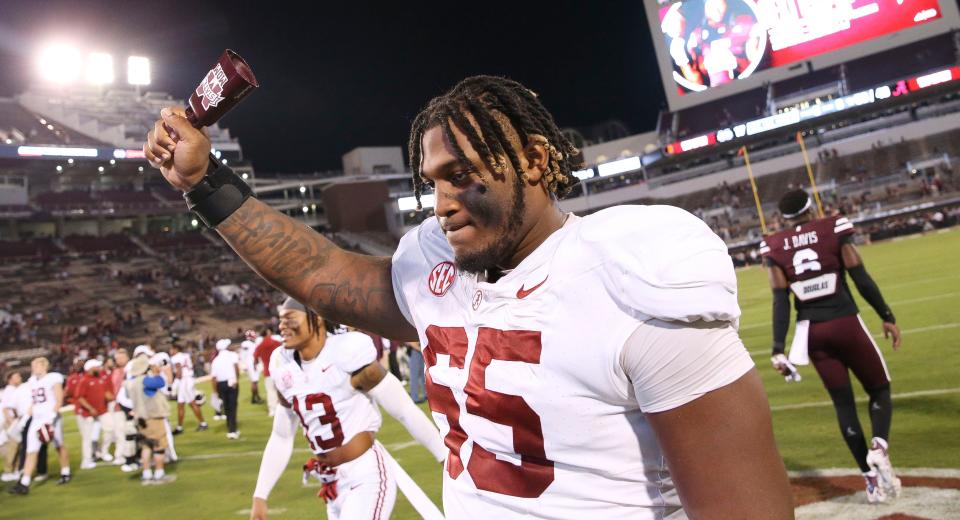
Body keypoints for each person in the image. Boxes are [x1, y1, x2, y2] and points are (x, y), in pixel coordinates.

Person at [146, 75, 792, 518]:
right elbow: (321, 274)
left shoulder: (632, 277)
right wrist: (205, 182)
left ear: (535, 161)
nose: (444, 204)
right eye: (433, 182)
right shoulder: (439, 270)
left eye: (464, 177)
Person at [760, 189, 903, 504]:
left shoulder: (773, 244)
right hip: (845, 322)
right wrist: (887, 315)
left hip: (810, 332)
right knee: (879, 390)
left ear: (783, 217)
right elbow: (860, 276)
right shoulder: (833, 227)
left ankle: (870, 484)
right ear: (811, 209)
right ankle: (878, 448)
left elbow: (780, 299)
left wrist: (776, 347)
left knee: (843, 405)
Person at [251, 297, 445, 520]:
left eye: (290, 318)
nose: (282, 326)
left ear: (318, 319)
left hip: (366, 475)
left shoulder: (346, 354)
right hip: (331, 484)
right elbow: (281, 436)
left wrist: (444, 457)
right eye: (281, 320)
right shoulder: (283, 365)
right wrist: (260, 495)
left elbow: (404, 410)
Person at [8, 357, 71, 495]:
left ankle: (65, 472)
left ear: (44, 366)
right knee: (31, 450)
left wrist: (51, 418)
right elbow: (34, 402)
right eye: (33, 365)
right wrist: (25, 418)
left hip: (51, 418)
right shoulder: (31, 381)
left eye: (36, 365)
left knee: (59, 445)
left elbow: (59, 399)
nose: (34, 368)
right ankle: (24, 482)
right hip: (36, 418)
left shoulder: (53, 378)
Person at [124, 356, 174, 485]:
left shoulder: (130, 383)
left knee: (146, 446)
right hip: (152, 417)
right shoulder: (146, 380)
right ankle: (159, 473)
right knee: (159, 446)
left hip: (140, 419)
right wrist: (156, 373)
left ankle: (146, 474)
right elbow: (161, 383)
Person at [74, 359, 114, 470]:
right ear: (91, 368)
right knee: (87, 437)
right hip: (88, 413)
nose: (100, 368)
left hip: (102, 410)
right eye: (97, 367)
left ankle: (103, 452)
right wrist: (90, 408)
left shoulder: (101, 378)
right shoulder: (84, 380)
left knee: (110, 429)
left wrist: (112, 397)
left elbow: (106, 393)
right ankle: (86, 461)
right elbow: (79, 397)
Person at [170, 343, 208, 434]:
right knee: (180, 404)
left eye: (171, 349)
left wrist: (174, 385)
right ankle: (179, 427)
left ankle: (203, 423)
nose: (170, 351)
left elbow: (179, 372)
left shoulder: (176, 357)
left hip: (185, 381)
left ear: (176, 349)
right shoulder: (185, 355)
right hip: (188, 379)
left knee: (192, 403)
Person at [100, 348, 129, 464]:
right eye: (117, 358)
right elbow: (107, 389)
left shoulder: (132, 369)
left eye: (122, 357)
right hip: (117, 406)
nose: (120, 360)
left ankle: (133, 454)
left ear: (127, 357)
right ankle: (120, 455)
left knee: (133, 431)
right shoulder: (114, 372)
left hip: (132, 406)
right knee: (119, 432)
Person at [210, 339, 241, 439]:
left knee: (226, 406)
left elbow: (214, 378)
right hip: (232, 382)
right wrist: (236, 379)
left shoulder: (215, 360)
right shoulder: (232, 355)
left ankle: (230, 425)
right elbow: (236, 368)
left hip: (221, 384)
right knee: (232, 406)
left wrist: (215, 391)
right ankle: (232, 430)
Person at [252, 329, 283, 417]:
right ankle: (282, 408)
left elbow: (255, 357)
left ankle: (272, 410)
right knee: (281, 391)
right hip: (279, 370)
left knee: (270, 391)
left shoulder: (260, 345)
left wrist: (255, 365)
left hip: (267, 371)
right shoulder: (276, 342)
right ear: (268, 333)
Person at [1, 371, 23, 482]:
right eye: (17, 376)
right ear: (10, 379)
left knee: (18, 447)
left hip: (15, 421)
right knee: (13, 448)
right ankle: (8, 471)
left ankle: (15, 470)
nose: (20, 377)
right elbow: (5, 408)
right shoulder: (9, 390)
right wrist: (11, 422)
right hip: (11, 422)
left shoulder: (15, 389)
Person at [242, 330, 264, 405]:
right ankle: (255, 398)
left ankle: (255, 397)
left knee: (254, 382)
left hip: (249, 363)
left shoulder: (245, 344)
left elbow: (244, 355)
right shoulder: (250, 344)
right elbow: (253, 355)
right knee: (255, 381)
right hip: (253, 363)